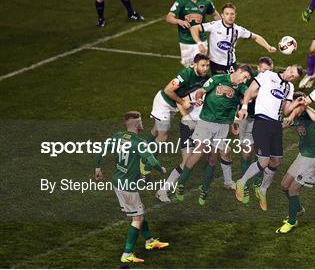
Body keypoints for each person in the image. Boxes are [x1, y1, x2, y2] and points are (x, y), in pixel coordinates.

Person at [94, 111, 168, 264]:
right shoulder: (138, 142)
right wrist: (161, 169)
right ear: (135, 124)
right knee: (137, 218)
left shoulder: (117, 136)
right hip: (127, 186)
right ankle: (127, 253)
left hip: (118, 181)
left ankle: (149, 241)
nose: (142, 123)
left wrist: (97, 169)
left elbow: (101, 148)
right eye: (140, 121)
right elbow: (151, 160)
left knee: (139, 211)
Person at [174, 65, 253, 205]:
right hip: (206, 121)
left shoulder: (242, 88)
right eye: (245, 76)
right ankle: (181, 183)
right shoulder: (218, 78)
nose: (244, 80)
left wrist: (245, 106)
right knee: (198, 153)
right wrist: (199, 98)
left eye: (247, 79)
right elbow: (201, 91)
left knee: (212, 157)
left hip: (222, 126)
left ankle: (204, 189)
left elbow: (249, 96)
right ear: (239, 71)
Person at [234, 65, 304, 210]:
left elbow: (285, 110)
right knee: (264, 161)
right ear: (288, 67)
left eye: (294, 77)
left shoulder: (289, 87)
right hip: (262, 122)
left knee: (275, 161)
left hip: (276, 125)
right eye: (290, 72)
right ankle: (242, 182)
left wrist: (295, 104)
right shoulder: (267, 75)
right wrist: (244, 107)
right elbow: (250, 90)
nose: (290, 76)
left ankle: (263, 190)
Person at [275, 92, 315, 234]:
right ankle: (297, 208)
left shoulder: (310, 115)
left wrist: (305, 104)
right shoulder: (295, 117)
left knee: (293, 189)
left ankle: (292, 221)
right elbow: (282, 124)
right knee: (284, 185)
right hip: (302, 156)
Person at [190, 3, 277, 75]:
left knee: (232, 88)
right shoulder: (215, 25)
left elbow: (256, 37)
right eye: (227, 14)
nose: (230, 16)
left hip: (231, 64)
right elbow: (194, 28)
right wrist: (199, 43)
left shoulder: (238, 30)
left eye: (232, 14)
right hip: (216, 64)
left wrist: (268, 47)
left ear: (235, 15)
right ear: (222, 16)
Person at [236, 56, 274, 204]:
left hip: (262, 122)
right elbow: (243, 98)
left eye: (270, 71)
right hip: (247, 120)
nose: (267, 73)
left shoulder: (273, 82)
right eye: (264, 70)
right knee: (246, 154)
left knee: (262, 154)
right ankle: (243, 184)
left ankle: (257, 182)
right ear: (258, 68)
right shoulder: (249, 82)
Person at [150, 54, 211, 143]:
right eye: (202, 65)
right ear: (195, 64)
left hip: (174, 105)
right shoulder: (186, 74)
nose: (205, 68)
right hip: (164, 103)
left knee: (156, 130)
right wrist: (182, 102)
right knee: (163, 136)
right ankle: (147, 156)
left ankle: (142, 151)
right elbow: (168, 90)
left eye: (207, 65)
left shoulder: (204, 77)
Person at [167, 0, 221, 67]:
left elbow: (215, 15)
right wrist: (179, 21)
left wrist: (222, 27)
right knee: (189, 69)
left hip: (201, 40)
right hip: (185, 42)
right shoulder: (181, 2)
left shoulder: (206, 2)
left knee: (201, 67)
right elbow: (169, 17)